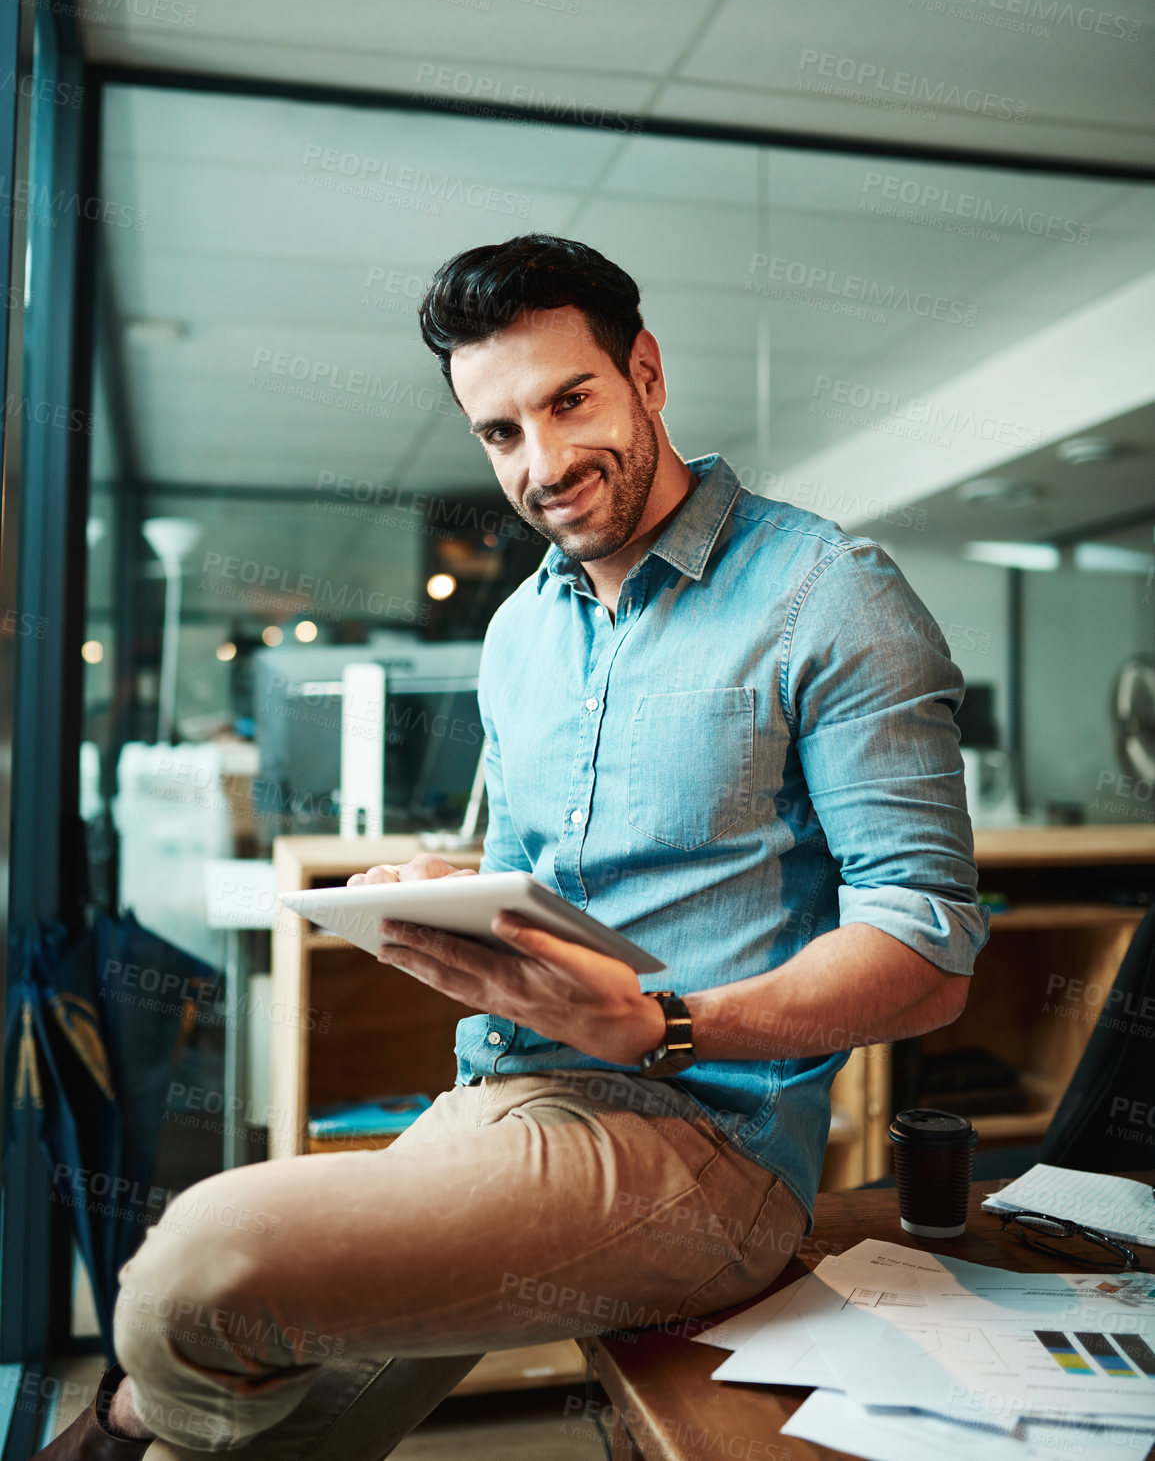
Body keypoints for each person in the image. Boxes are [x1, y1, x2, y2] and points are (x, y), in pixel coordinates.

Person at [39, 234, 986, 1459]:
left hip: (702, 1152)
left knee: (191, 1275)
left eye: (569, 400)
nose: (542, 464)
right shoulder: (520, 631)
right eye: (500, 433)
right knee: (256, 1433)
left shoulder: (831, 593)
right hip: (499, 1099)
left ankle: (112, 1417)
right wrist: (451, 889)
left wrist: (666, 1022)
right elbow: (536, 873)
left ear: (644, 370)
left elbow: (928, 951)